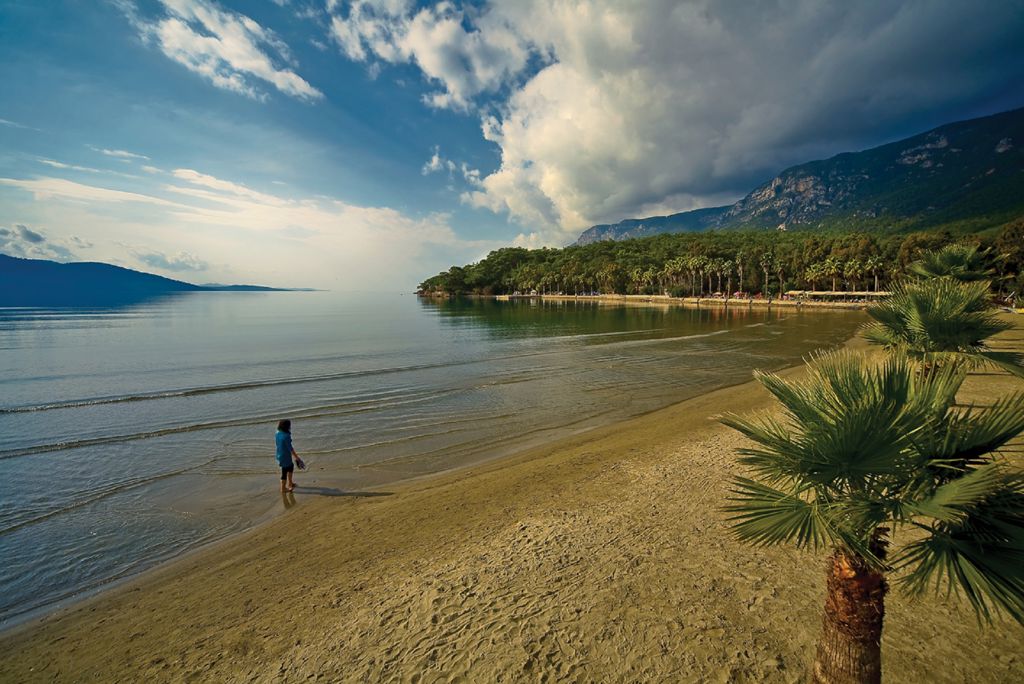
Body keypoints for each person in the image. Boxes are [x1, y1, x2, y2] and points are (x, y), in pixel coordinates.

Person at [275, 419, 303, 493]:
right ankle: (283, 488)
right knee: (286, 470)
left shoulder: (277, 433)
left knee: (289, 467)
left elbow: (278, 443)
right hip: (285, 456)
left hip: (280, 454)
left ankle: (290, 483)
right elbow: (290, 448)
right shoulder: (286, 436)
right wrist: (297, 458)